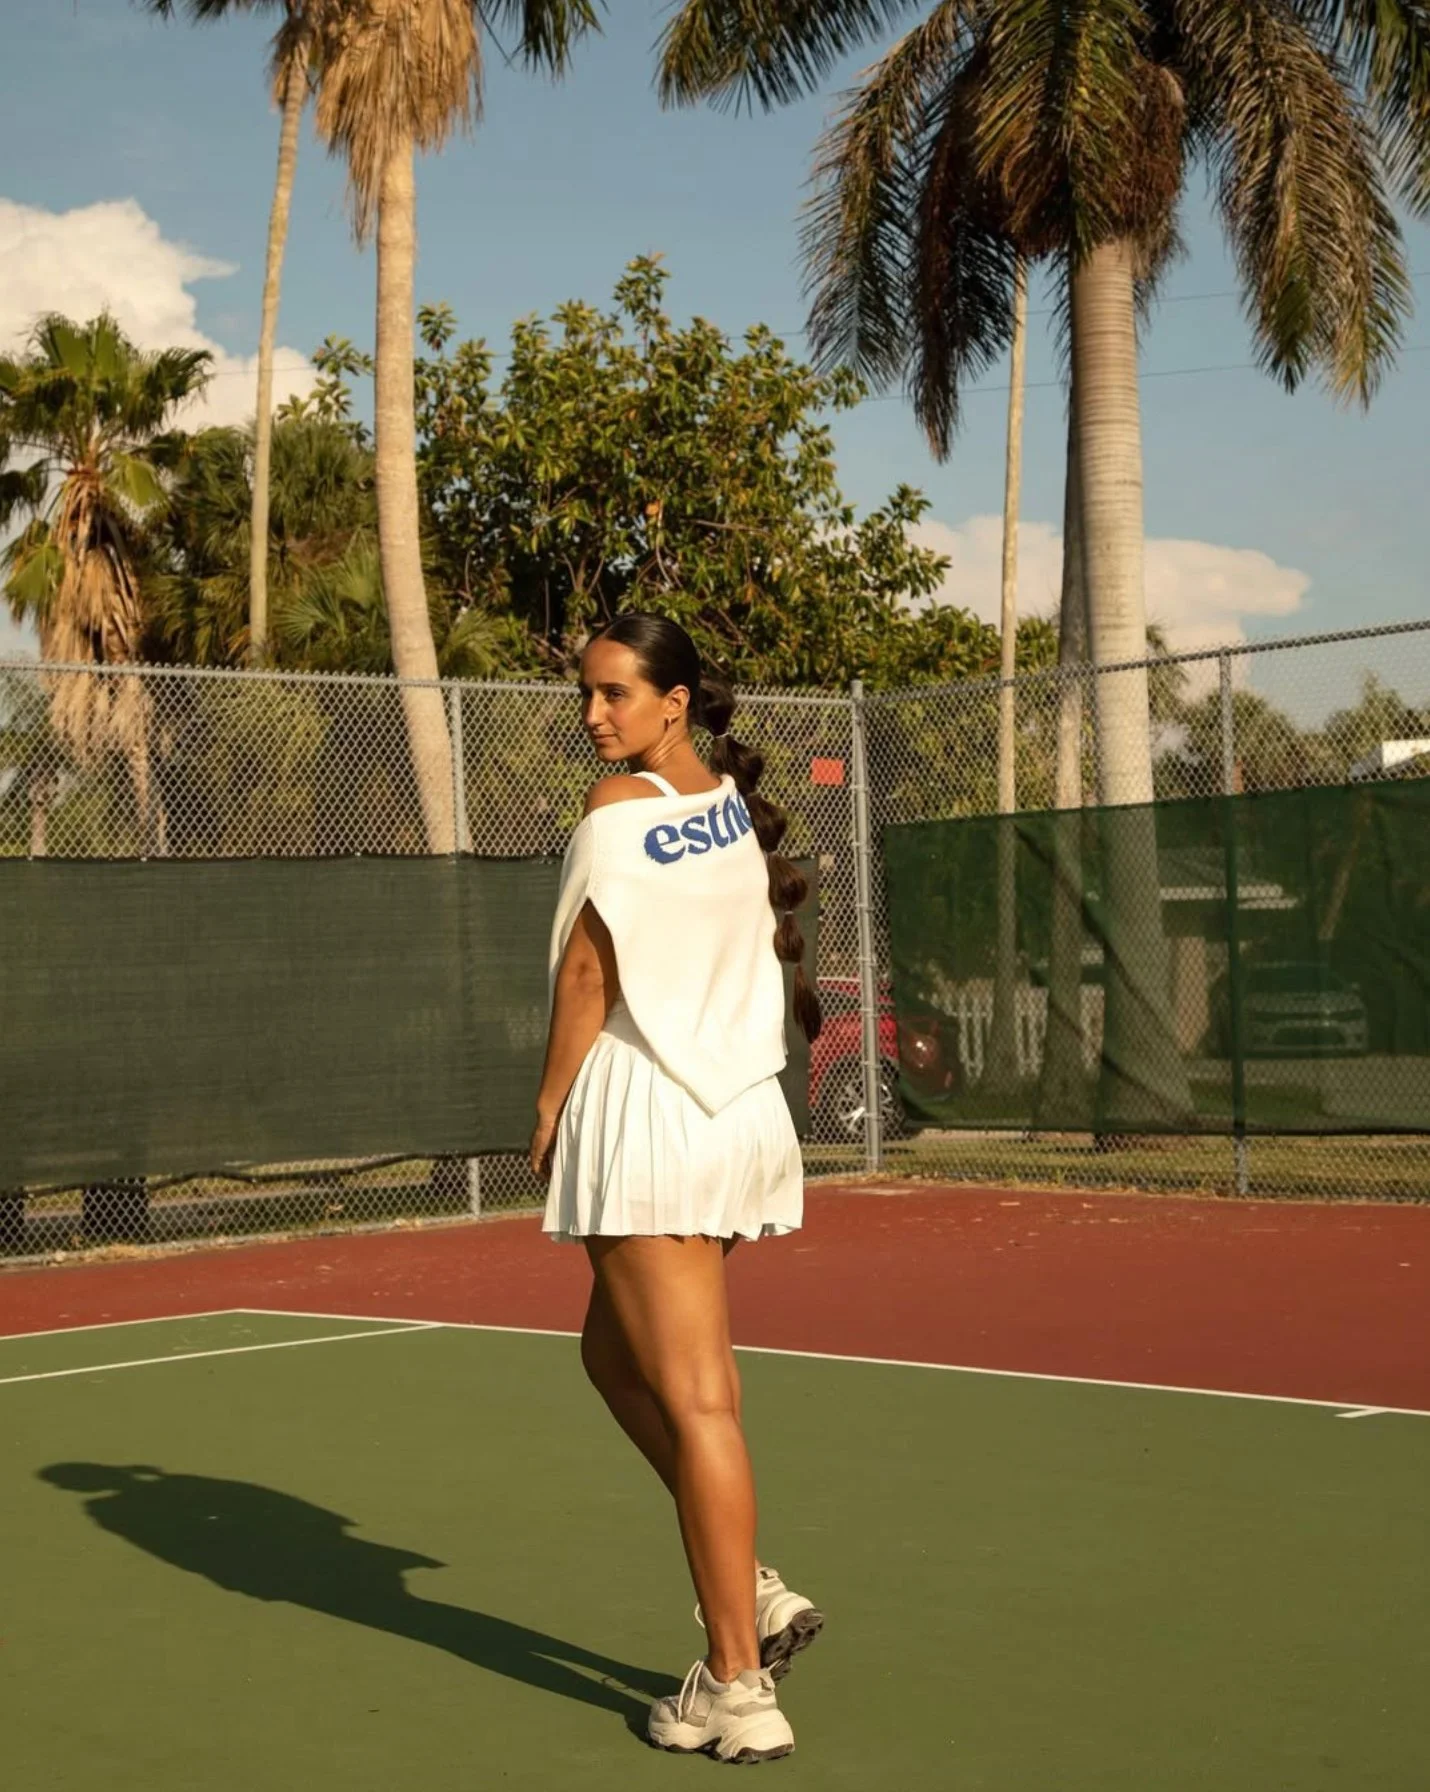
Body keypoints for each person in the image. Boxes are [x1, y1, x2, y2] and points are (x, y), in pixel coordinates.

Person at [529, 612, 825, 1764]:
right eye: (588, 697)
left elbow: (589, 972)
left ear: (675, 701)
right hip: (742, 1120)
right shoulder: (733, 815)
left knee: (698, 1397)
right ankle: (744, 1575)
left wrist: (551, 1103)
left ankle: (736, 1684)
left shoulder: (611, 813)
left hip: (652, 1120)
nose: (595, 716)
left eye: (614, 694)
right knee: (613, 1354)